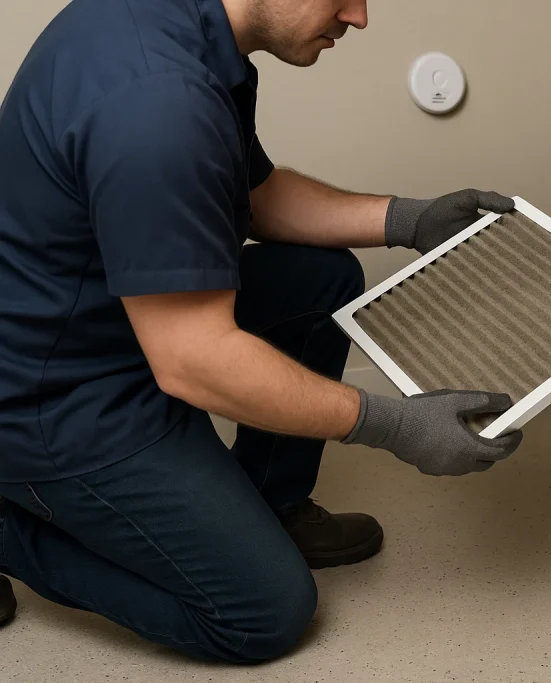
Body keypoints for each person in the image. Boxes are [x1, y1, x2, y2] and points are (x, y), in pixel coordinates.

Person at [0, 0, 523, 661]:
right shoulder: (157, 99)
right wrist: (395, 425)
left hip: (113, 328)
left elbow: (260, 198)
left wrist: (411, 221)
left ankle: (271, 503)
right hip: (50, 399)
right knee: (262, 609)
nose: (359, 16)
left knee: (319, 281)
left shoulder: (190, 34)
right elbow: (194, 361)